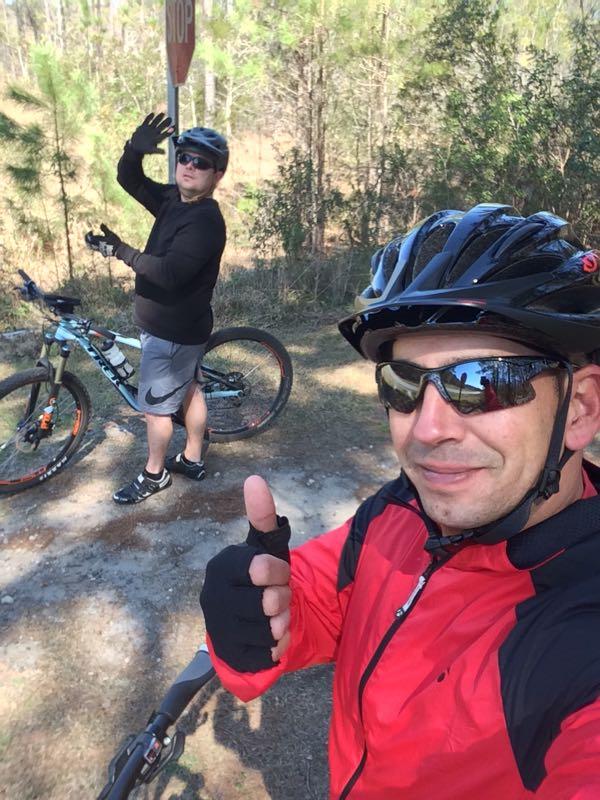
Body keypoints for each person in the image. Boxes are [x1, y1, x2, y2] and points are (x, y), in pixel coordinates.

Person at [200, 203, 600, 799]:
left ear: (580, 409)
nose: (427, 428)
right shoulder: (402, 511)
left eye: (480, 383)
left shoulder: (577, 643)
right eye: (404, 384)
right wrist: (256, 612)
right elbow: (321, 593)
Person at [85, 112, 228, 504]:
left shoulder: (206, 221)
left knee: (155, 411)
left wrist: (120, 251)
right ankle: (194, 459)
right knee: (190, 391)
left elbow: (168, 273)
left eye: (201, 163)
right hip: (179, 328)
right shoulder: (172, 199)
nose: (189, 166)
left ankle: (154, 474)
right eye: (184, 157)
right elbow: (129, 180)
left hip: (172, 332)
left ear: (217, 175)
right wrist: (134, 150)